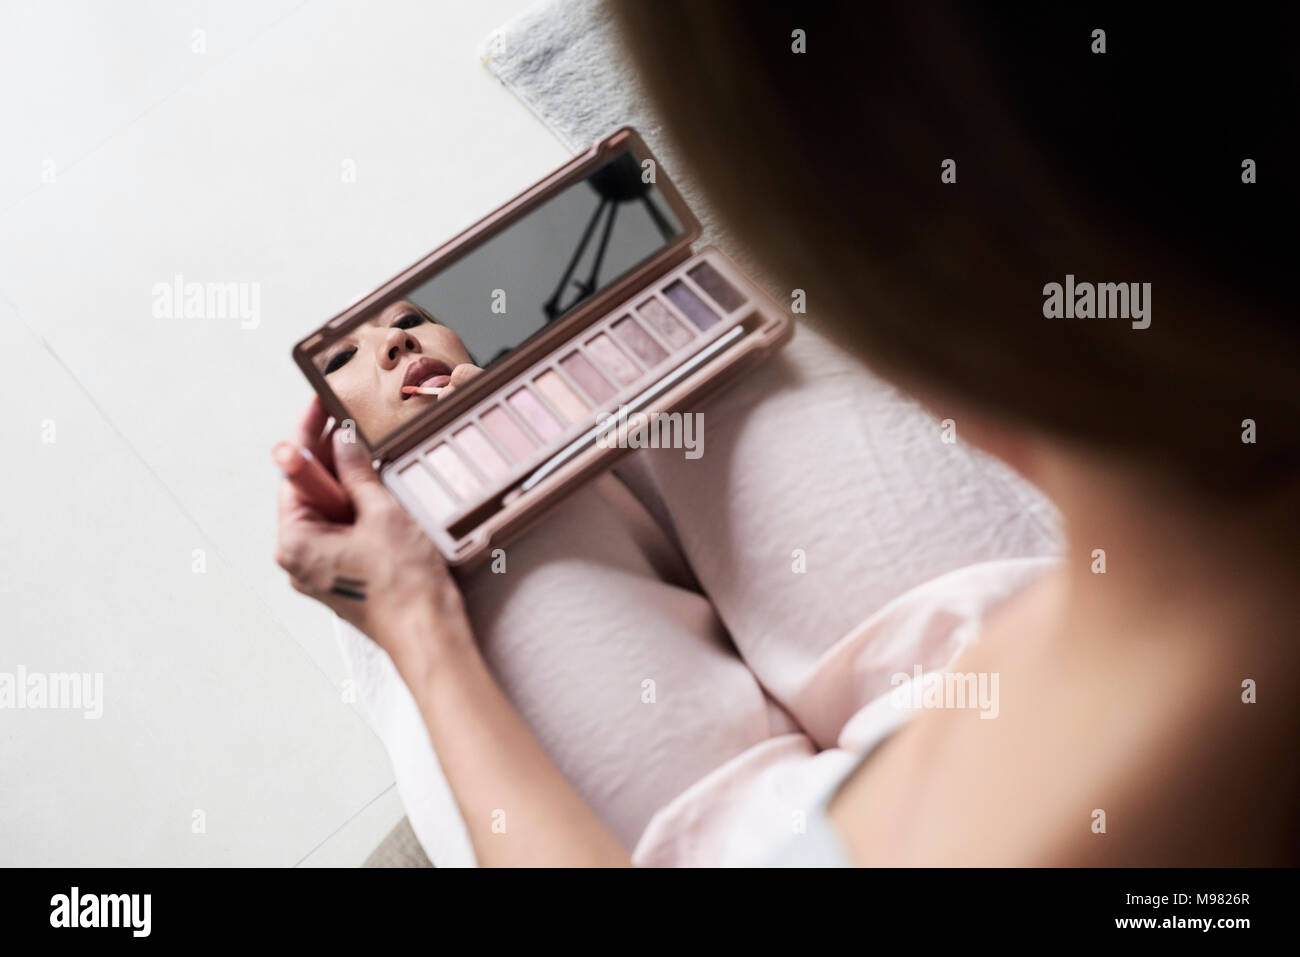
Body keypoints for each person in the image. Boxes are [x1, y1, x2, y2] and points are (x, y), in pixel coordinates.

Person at [273, 4, 1299, 865]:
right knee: (710, 349)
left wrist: (412, 621)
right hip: (984, 632)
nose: (398, 344)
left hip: (720, 839)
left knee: (430, 499)